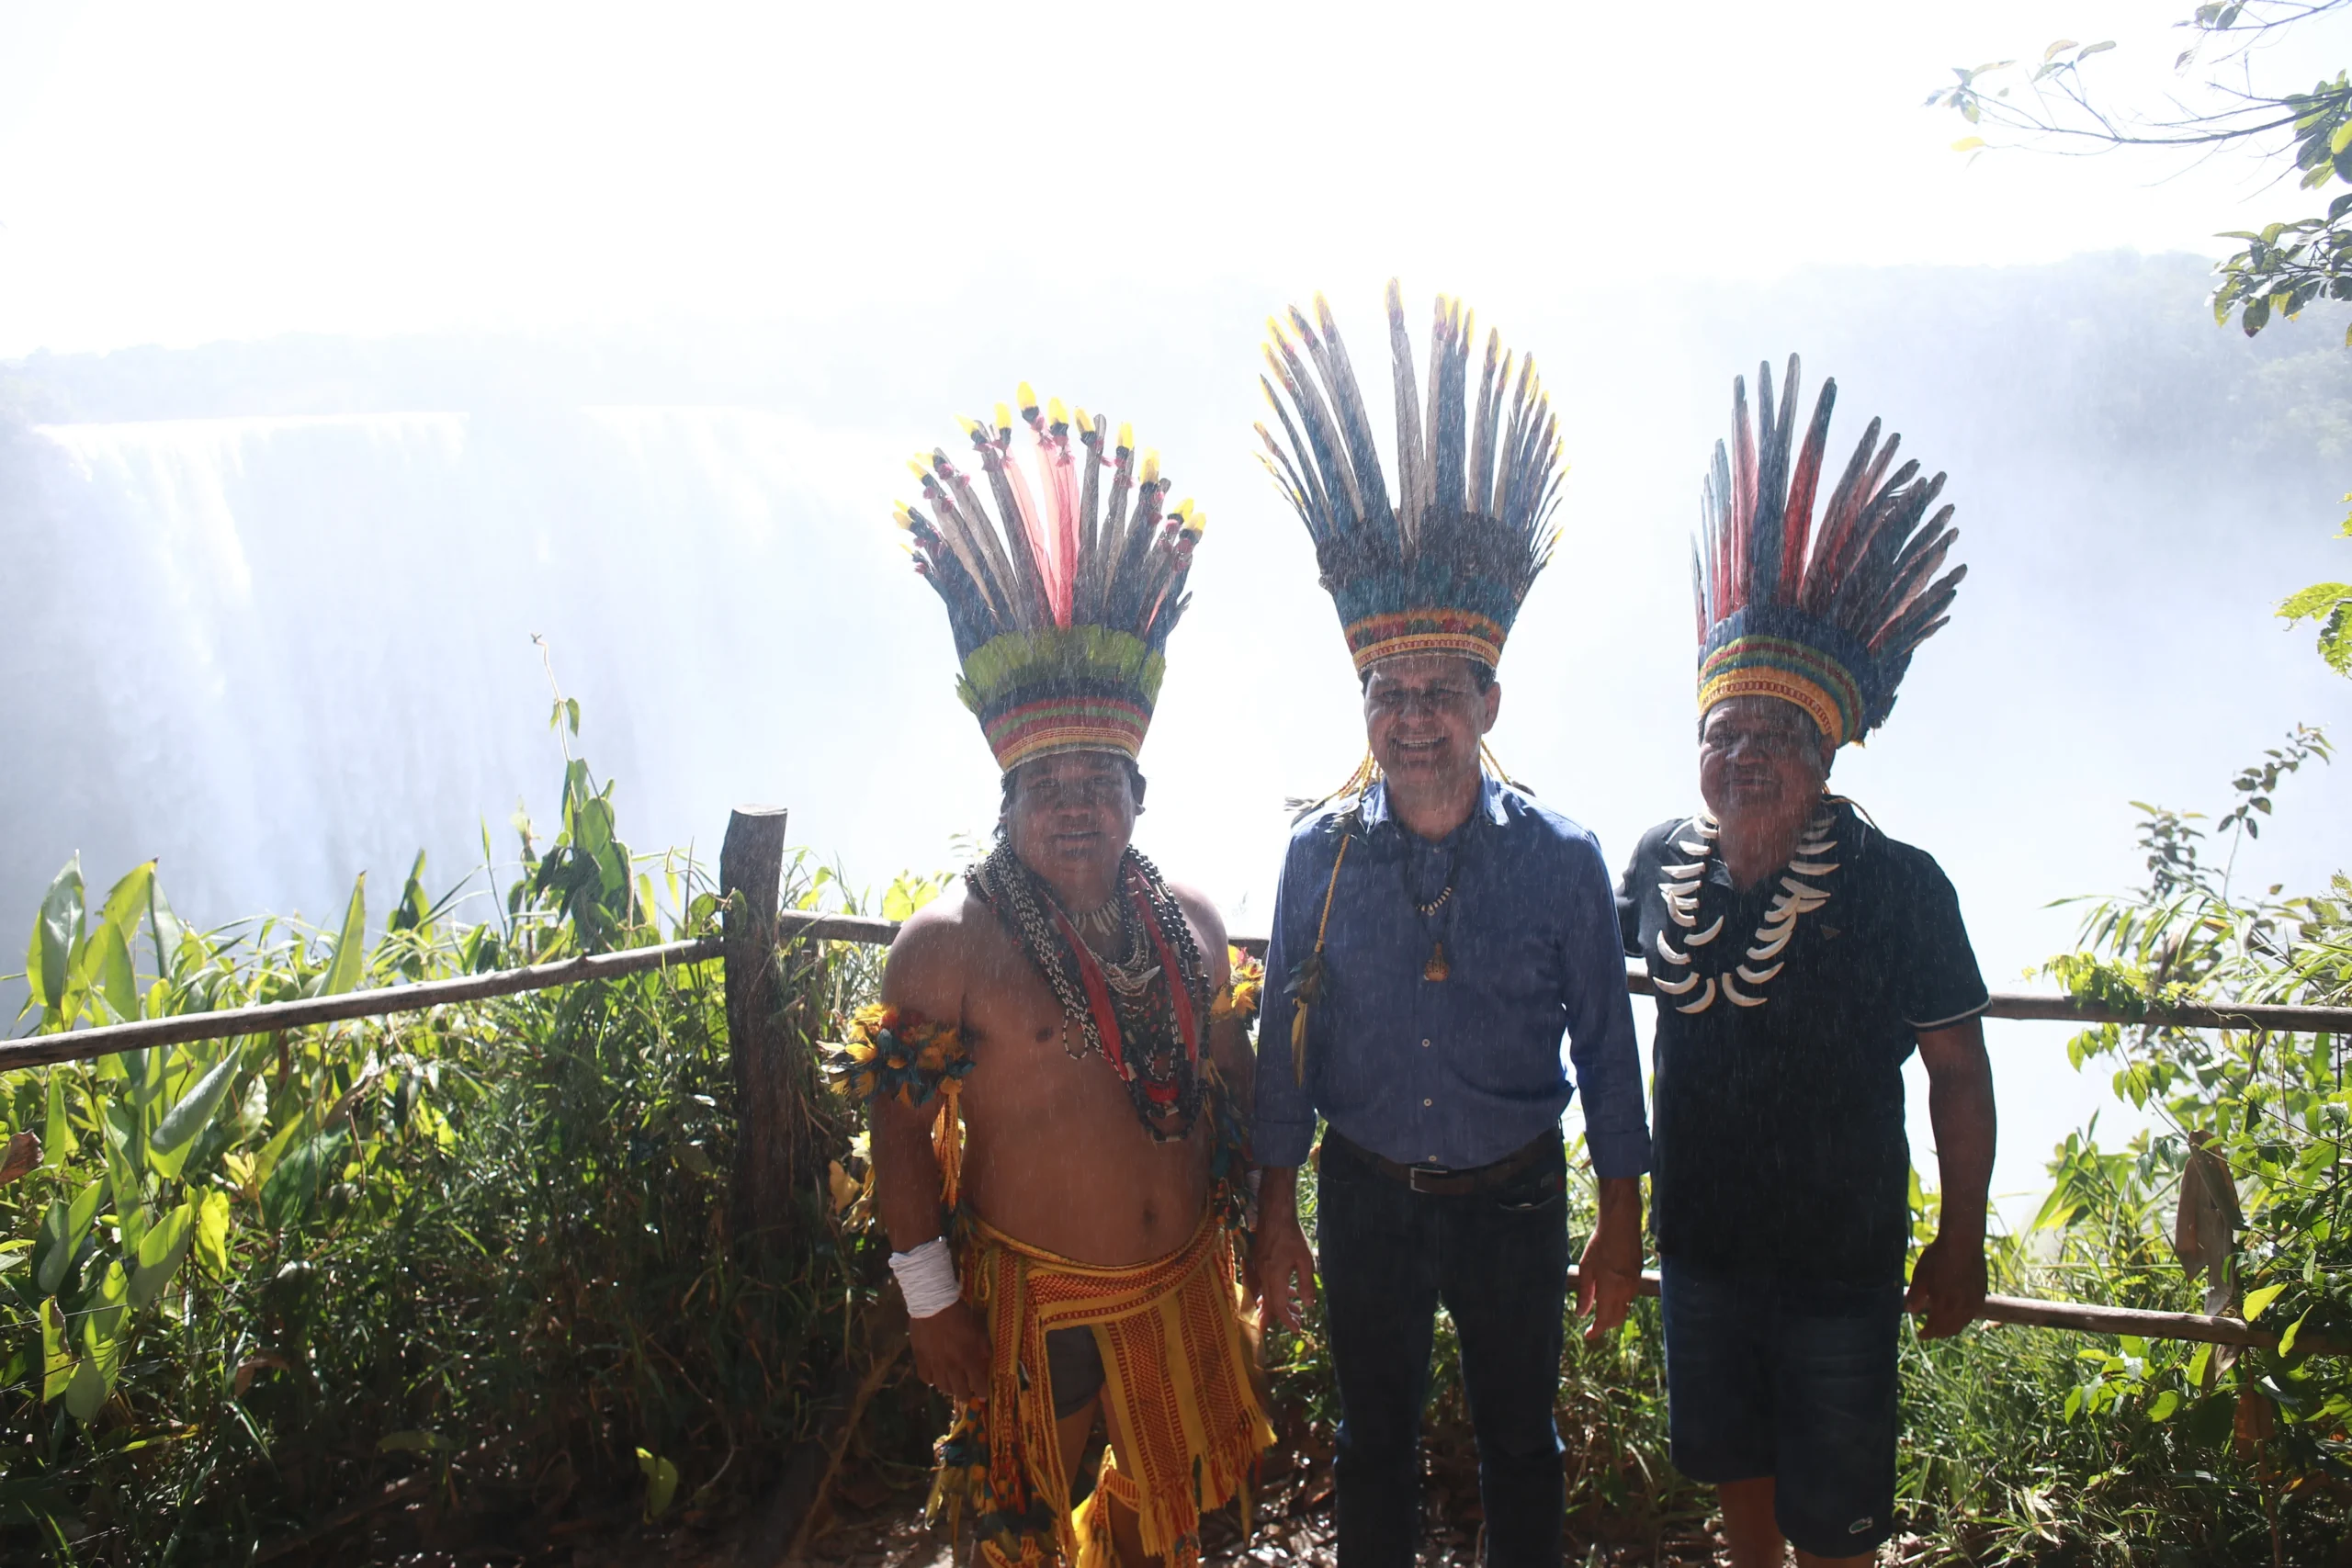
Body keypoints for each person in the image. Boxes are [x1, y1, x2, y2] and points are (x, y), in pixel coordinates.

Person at [1247, 285, 1653, 1568]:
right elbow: (1281, 1051)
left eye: (1438, 690)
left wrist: (1622, 1215)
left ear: (1489, 700)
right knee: (1371, 1439)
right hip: (1365, 1192)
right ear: (1363, 701)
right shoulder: (1319, 855)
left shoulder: (1561, 862)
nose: (1412, 716)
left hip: (1514, 1199)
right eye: (1388, 690)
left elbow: (1609, 1051)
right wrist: (1274, 1208)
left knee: (1520, 1441)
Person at [835, 391, 1272, 1568]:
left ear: (1139, 797)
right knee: (1019, 1536)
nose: (1075, 804)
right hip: (1041, 1303)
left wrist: (1270, 1229)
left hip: (1184, 1285)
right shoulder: (947, 948)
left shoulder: (1191, 925)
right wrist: (931, 1299)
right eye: (1047, 785)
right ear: (1008, 800)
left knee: (1164, 1535)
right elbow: (900, 1138)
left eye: (1099, 781)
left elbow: (1237, 1094)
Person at [1616, 357, 1996, 1568]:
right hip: (1701, 1249)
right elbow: (1573, 987)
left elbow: (1958, 1073)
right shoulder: (1659, 862)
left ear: (1826, 756)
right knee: (1739, 1487)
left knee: (1833, 1521)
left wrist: (1962, 1236)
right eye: (1723, 730)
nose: (1745, 753)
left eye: (1777, 732)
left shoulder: (1898, 885)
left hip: (1839, 1263)